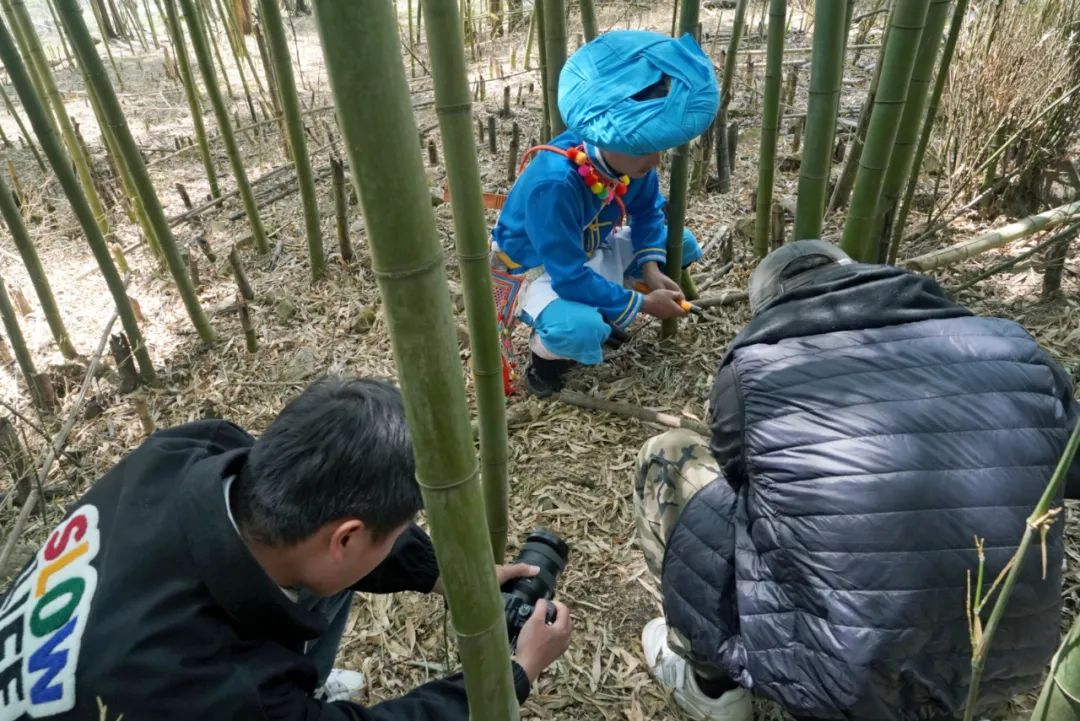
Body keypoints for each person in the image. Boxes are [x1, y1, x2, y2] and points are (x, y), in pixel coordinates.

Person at [633, 240, 1080, 721]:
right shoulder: (1015, 347)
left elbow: (739, 478)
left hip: (832, 679)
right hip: (1005, 661)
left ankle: (711, 687)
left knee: (676, 463)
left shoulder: (754, 371)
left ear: (770, 307)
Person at [0, 377, 571, 720]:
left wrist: (445, 574)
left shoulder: (190, 449)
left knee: (324, 577)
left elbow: (331, 524)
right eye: (395, 534)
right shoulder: (225, 691)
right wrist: (513, 674)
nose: (401, 543)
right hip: (131, 686)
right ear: (345, 537)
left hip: (107, 632)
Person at [490, 30, 719, 396]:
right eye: (646, 149)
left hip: (593, 248)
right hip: (540, 270)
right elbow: (566, 276)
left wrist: (650, 270)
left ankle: (609, 308)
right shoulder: (554, 183)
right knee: (579, 329)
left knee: (683, 243)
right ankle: (544, 369)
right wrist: (644, 304)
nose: (655, 160)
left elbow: (648, 216)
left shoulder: (633, 161)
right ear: (611, 137)